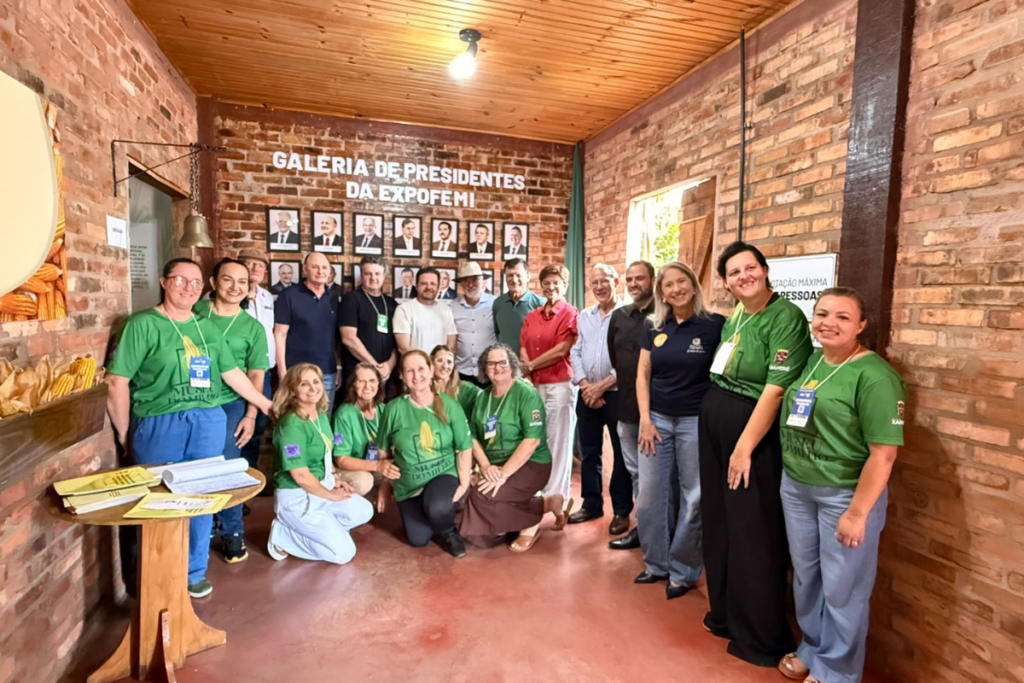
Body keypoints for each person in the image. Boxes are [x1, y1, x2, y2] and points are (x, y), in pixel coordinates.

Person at [106, 258, 273, 599]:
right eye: (180, 280)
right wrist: (124, 433)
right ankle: (154, 574)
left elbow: (232, 373)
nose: (188, 287)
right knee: (157, 499)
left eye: (194, 282)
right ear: (164, 282)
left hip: (208, 420)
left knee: (202, 498)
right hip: (159, 421)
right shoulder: (142, 324)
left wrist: (266, 406)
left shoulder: (205, 328)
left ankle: (194, 571)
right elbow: (116, 381)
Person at [776, 288, 905, 683]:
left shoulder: (876, 376)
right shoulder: (814, 360)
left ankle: (837, 671)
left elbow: (883, 454)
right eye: (822, 313)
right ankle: (812, 648)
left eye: (843, 317)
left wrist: (857, 512)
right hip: (797, 487)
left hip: (844, 495)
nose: (828, 323)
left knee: (843, 588)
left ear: (861, 325)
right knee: (807, 577)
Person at [698, 241, 813, 666]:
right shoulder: (737, 315)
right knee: (720, 521)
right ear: (726, 283)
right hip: (717, 417)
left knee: (752, 529)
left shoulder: (786, 317)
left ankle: (760, 636)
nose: (743, 276)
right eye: (734, 272)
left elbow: (776, 389)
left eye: (750, 268)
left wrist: (744, 447)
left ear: (764, 271)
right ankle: (726, 614)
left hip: (751, 429)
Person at [635, 262, 725, 600]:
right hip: (656, 420)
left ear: (693, 284)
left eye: (682, 281)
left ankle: (682, 570)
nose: (676, 289)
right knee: (650, 496)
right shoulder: (654, 325)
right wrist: (645, 419)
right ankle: (656, 563)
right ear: (661, 293)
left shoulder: (715, 325)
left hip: (695, 423)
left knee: (694, 497)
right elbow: (643, 374)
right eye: (668, 285)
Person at [194, 258, 270, 564]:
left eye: (242, 282)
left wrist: (251, 415)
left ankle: (232, 530)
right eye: (228, 280)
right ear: (213, 283)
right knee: (196, 465)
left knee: (229, 466)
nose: (235, 287)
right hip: (192, 400)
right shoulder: (195, 311)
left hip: (232, 403)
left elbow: (256, 375)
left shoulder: (253, 327)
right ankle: (201, 528)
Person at [459, 344, 570, 551]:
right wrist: (484, 466)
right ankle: (547, 504)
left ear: (512, 365)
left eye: (503, 362)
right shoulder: (483, 397)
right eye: (491, 363)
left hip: (531, 464)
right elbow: (471, 435)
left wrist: (504, 474)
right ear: (484, 368)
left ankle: (531, 523)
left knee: (482, 495)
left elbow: (532, 441)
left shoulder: (526, 394)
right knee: (479, 493)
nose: (497, 367)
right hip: (495, 464)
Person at [267, 363, 374, 564]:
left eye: (316, 382)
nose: (313, 388)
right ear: (292, 390)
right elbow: (300, 476)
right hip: (297, 496)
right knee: (343, 554)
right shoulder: (291, 425)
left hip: (322, 486)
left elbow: (326, 451)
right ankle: (283, 535)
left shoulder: (320, 414)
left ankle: (318, 529)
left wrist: (335, 477)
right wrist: (331, 495)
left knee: (364, 511)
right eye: (304, 384)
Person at [376, 351, 473, 557]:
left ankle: (449, 531)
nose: (416, 375)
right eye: (409, 371)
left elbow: (464, 447)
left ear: (430, 371)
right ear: (401, 375)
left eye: (421, 369)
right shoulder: (393, 409)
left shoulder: (449, 405)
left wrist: (464, 484)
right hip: (408, 485)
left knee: (437, 507)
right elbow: (382, 449)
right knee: (418, 539)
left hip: (442, 473)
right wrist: (386, 483)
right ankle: (433, 514)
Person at [567, 264, 627, 532]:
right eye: (595, 282)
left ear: (616, 282)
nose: (600, 287)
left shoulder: (627, 314)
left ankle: (622, 511)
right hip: (587, 394)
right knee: (589, 452)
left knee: (621, 454)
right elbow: (575, 352)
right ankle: (591, 505)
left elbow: (629, 359)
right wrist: (585, 385)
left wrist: (601, 387)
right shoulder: (585, 316)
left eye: (605, 281)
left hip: (616, 395)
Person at [605, 260, 655, 550]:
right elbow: (617, 360)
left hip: (658, 411)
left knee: (657, 476)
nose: (634, 284)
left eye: (640, 278)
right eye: (630, 279)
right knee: (636, 472)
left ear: (653, 280)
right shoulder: (619, 316)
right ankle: (643, 528)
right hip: (626, 409)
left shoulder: (664, 315)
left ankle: (659, 530)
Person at [520, 263, 578, 508]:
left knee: (558, 441)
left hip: (560, 384)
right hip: (535, 384)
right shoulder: (532, 315)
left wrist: (531, 365)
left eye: (556, 282)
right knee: (537, 438)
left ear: (565, 285)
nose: (551, 287)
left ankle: (556, 497)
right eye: (546, 283)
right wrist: (527, 368)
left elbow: (562, 350)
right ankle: (540, 492)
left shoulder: (570, 313)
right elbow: (523, 343)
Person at [274, 252, 342, 416]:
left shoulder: (333, 298)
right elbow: (279, 334)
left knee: (323, 420)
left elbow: (336, 337)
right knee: (294, 420)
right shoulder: (289, 295)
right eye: (315, 267)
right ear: (305, 269)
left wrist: (338, 366)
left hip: (327, 372)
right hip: (296, 373)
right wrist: (282, 371)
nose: (320, 271)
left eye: (324, 267)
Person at [332, 363, 399, 497]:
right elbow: (341, 460)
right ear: (353, 385)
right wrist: (378, 466)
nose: (367, 386)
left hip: (376, 465)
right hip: (349, 469)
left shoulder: (384, 410)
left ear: (379, 384)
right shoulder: (344, 414)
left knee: (401, 472)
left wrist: (386, 474)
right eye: (361, 381)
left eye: (372, 381)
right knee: (364, 481)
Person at [238, 248, 276, 476]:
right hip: (236, 373)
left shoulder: (267, 297)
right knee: (235, 426)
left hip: (264, 372)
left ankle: (248, 477)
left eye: (259, 265)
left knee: (258, 426)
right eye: (249, 264)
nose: (254, 269)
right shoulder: (223, 295)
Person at [339, 256, 398, 397]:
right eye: (368, 274)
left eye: (377, 274)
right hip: (358, 373)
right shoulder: (351, 299)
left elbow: (399, 342)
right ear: (361, 275)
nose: (373, 278)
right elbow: (348, 339)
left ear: (384, 276)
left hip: (386, 374)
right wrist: (374, 367)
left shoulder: (392, 303)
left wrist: (389, 365)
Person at [451, 262, 497, 387]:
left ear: (482, 281)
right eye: (466, 280)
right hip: (461, 371)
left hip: (488, 370)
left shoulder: (494, 303)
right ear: (461, 283)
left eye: (475, 280)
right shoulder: (453, 306)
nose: (470, 285)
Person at [393, 267, 457, 354]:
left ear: (438, 287)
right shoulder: (404, 309)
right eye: (424, 283)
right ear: (417, 286)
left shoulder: (446, 310)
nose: (428, 287)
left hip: (440, 362)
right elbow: (404, 348)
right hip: (415, 362)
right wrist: (425, 362)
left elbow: (451, 345)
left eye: (433, 283)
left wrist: (441, 361)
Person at [492, 258, 542, 355]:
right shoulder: (498, 303)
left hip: (532, 362)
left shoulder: (540, 303)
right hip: (505, 362)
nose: (514, 280)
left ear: (528, 277)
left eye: (518, 275)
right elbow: (497, 333)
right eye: (510, 275)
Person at [430, 345, 482, 417]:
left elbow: (487, 399)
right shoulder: (424, 388)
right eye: (440, 360)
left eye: (449, 362)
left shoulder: (466, 389)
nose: (445, 366)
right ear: (431, 363)